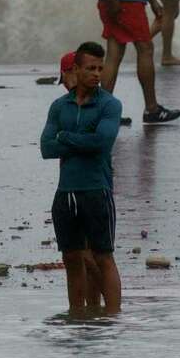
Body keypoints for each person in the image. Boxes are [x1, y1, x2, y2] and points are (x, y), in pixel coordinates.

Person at [40, 42, 123, 313]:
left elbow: (102, 142)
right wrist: (80, 141)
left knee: (103, 257)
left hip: (96, 189)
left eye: (100, 68)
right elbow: (46, 148)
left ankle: (112, 317)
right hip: (66, 192)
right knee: (72, 258)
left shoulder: (110, 104)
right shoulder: (59, 106)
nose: (97, 74)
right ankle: (78, 315)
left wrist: (65, 137)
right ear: (76, 69)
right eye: (91, 68)